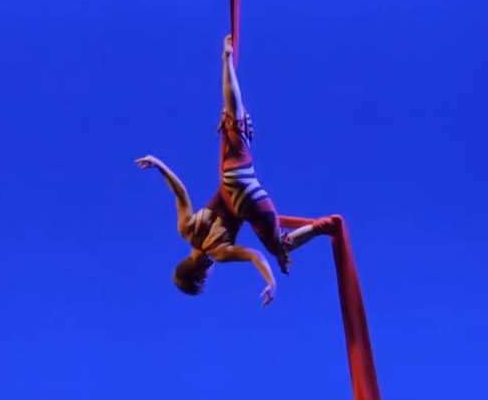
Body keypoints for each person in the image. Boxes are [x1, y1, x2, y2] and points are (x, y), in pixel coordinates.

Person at [137, 34, 343, 306]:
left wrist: (270, 281)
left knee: (280, 247)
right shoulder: (186, 229)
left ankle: (322, 226)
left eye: (205, 280)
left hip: (250, 200)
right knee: (235, 120)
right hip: (231, 176)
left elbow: (254, 256)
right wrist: (158, 164)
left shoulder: (219, 253)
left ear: (199, 275)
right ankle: (226, 61)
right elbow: (180, 191)